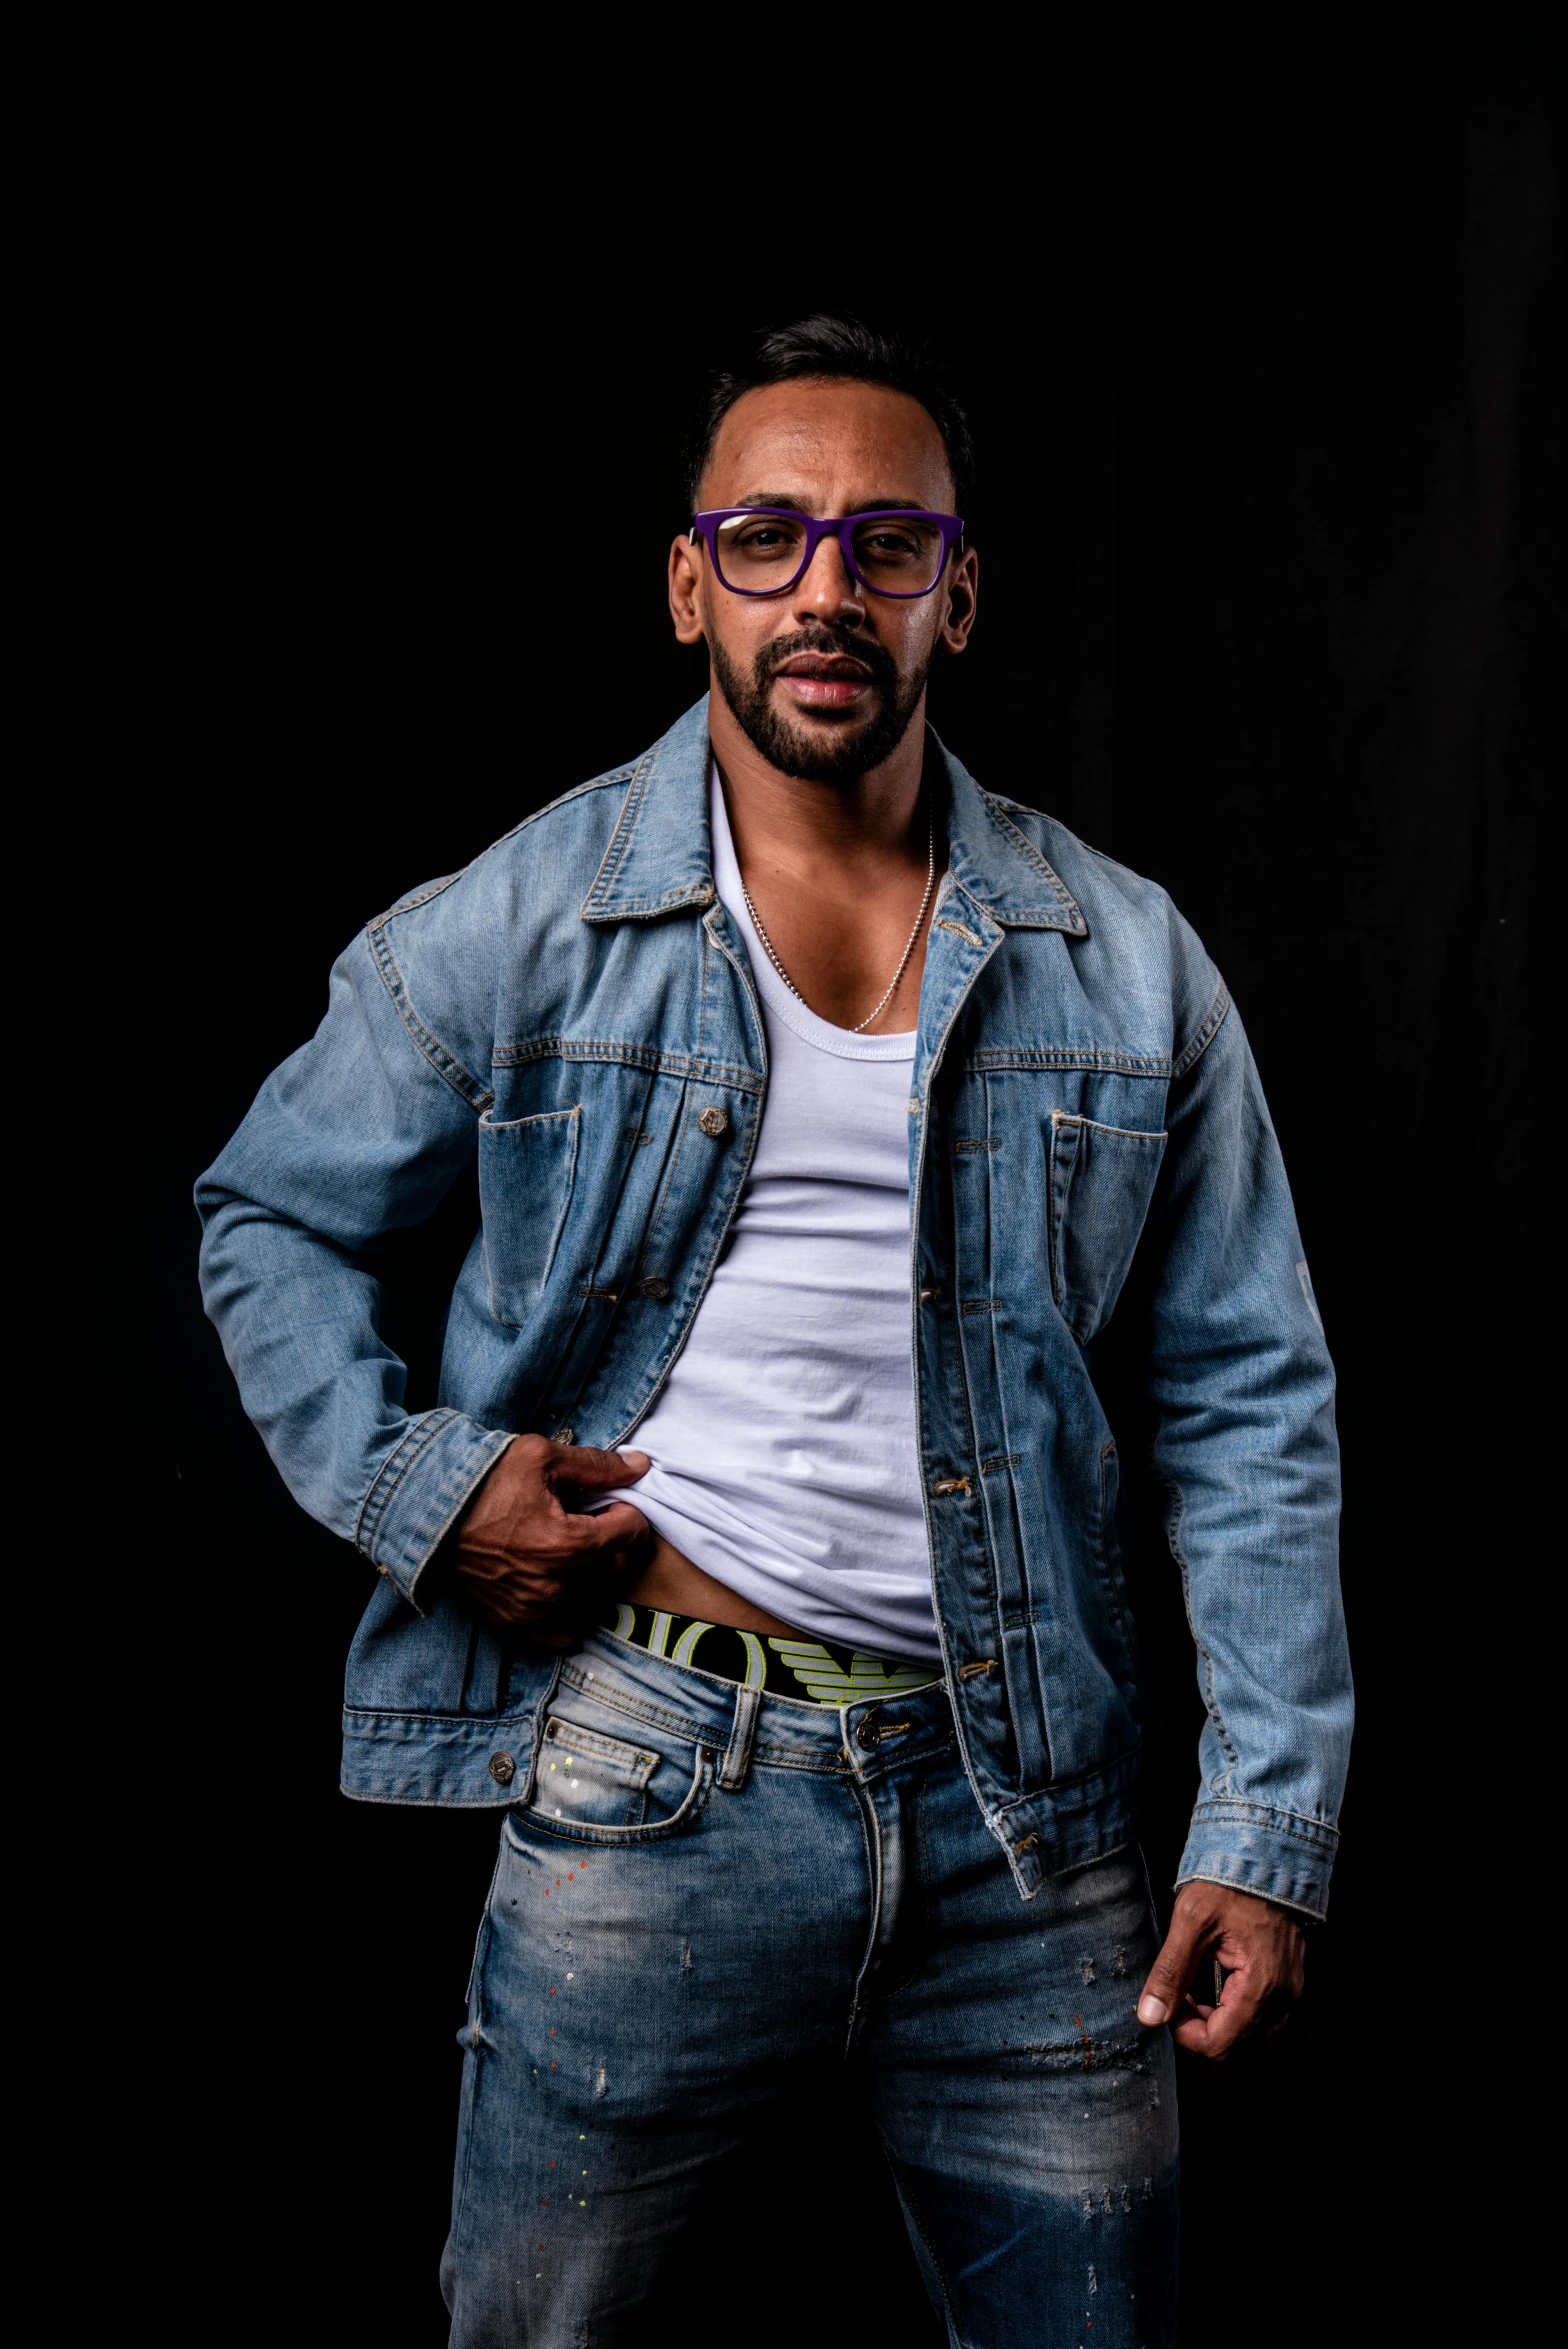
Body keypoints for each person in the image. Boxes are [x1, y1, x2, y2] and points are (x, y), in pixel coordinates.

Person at [198, 315, 1352, 2346]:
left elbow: (1246, 1390)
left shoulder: (1125, 955)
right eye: (769, 534)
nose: (827, 587)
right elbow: (266, 1212)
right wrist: (422, 1488)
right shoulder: (528, 919)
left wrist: (1260, 1828)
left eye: (887, 542)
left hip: (1034, 1823)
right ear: (685, 581)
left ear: (957, 593)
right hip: (655, 1777)